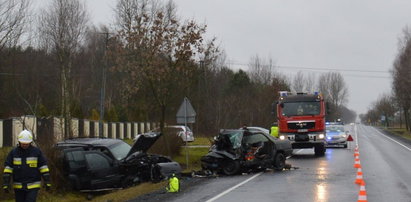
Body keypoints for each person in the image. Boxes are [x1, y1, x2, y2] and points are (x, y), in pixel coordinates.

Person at [3, 130, 51, 202]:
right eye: (23, 143)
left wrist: (47, 181)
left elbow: (43, 167)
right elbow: (8, 168)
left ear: (30, 142)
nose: (25, 145)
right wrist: (6, 183)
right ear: (19, 142)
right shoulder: (13, 153)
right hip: (18, 186)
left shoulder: (36, 152)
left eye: (27, 143)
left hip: (33, 185)